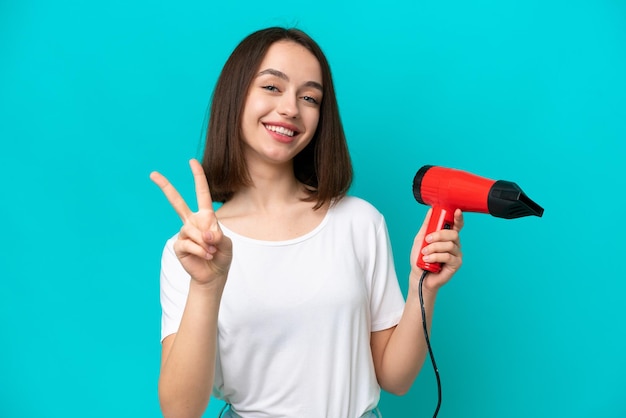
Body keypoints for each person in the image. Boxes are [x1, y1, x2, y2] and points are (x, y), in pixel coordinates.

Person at [150, 27, 463, 418]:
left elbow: (395, 378)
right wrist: (207, 285)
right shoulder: (195, 251)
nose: (291, 109)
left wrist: (423, 285)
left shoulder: (359, 222)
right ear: (236, 96)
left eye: (309, 97)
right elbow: (180, 411)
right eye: (271, 87)